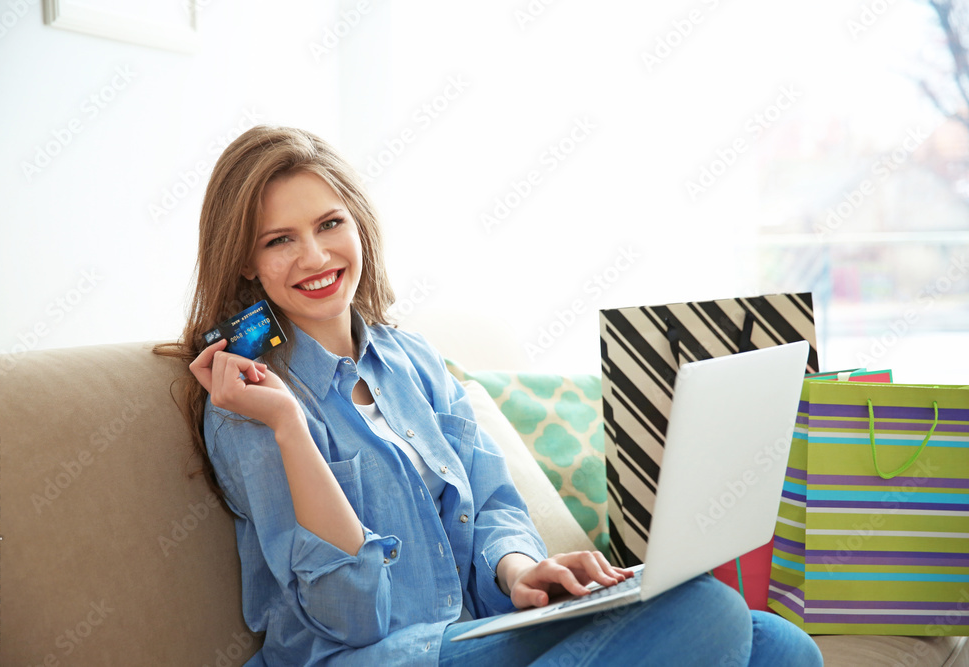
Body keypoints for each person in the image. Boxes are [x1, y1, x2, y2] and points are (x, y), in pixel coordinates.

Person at [154, 125, 823, 666]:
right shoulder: (249, 404)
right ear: (247, 262)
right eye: (280, 240)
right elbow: (350, 619)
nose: (316, 256)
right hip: (379, 658)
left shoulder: (411, 358)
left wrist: (520, 569)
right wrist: (291, 428)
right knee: (707, 613)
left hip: (476, 637)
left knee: (781, 645)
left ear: (358, 224)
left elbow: (492, 499)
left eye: (329, 224)